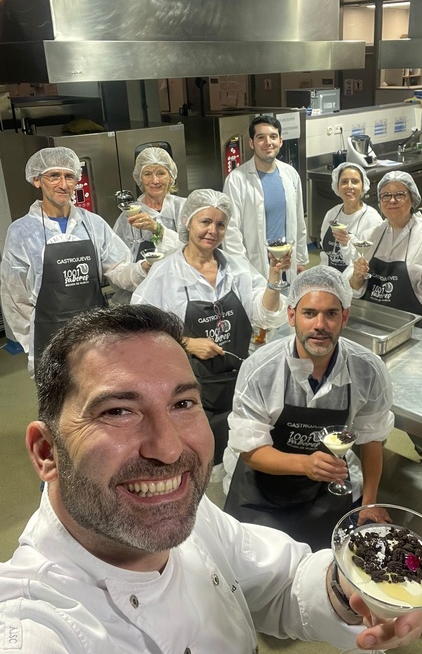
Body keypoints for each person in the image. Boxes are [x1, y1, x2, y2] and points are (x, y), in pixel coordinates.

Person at [0, 305, 422, 653]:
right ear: (45, 452)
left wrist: (351, 587)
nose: (168, 450)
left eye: (183, 403)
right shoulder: (35, 625)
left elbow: (283, 583)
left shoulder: (193, 512)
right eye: (117, 411)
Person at [223, 266, 394, 551]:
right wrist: (306, 465)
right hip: (261, 492)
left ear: (345, 317)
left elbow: (371, 439)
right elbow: (250, 450)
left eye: (331, 314)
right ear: (292, 316)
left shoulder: (367, 370)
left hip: (324, 491)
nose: (320, 325)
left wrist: (369, 503)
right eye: (309, 313)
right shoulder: (261, 368)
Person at [132, 189, 288, 468]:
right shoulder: (165, 274)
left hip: (239, 383)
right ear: (187, 223)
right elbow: (141, 328)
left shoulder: (237, 269)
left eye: (220, 224)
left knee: (241, 457)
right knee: (199, 461)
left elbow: (265, 314)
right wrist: (186, 342)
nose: (212, 230)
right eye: (205, 222)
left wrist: (274, 279)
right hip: (189, 391)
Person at [344, 171, 422, 471]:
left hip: (413, 336)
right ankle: (371, 452)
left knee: (412, 402)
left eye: (399, 195)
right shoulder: (371, 236)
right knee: (371, 399)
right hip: (375, 331)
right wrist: (356, 277)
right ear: (379, 201)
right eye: (386, 196)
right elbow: (353, 289)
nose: (392, 201)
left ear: (412, 199)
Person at [0, 147, 147, 375]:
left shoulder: (93, 224)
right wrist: (34, 343)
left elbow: (119, 269)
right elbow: (15, 297)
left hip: (96, 336)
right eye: (53, 176)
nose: (63, 184)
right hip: (49, 339)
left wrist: (144, 268)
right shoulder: (22, 232)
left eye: (69, 176)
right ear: (37, 180)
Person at [223, 114, 309, 282]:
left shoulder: (290, 174)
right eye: (260, 137)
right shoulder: (236, 179)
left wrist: (300, 259)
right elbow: (231, 231)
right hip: (254, 267)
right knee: (261, 306)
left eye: (273, 137)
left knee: (286, 305)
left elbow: (298, 221)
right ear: (251, 143)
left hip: (286, 262)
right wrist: (240, 270)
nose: (268, 142)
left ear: (280, 141)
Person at [113, 146, 186, 262]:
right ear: (139, 178)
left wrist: (158, 230)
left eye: (161, 173)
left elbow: (194, 249)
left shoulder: (185, 208)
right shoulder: (128, 215)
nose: (155, 180)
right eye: (147, 174)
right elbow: (117, 261)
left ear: (171, 177)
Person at [320, 161, 382, 271]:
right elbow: (325, 254)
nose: (349, 186)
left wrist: (347, 243)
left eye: (355, 182)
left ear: (363, 187)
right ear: (337, 186)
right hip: (331, 279)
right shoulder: (332, 214)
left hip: (357, 283)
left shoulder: (372, 219)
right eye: (344, 181)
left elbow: (372, 260)